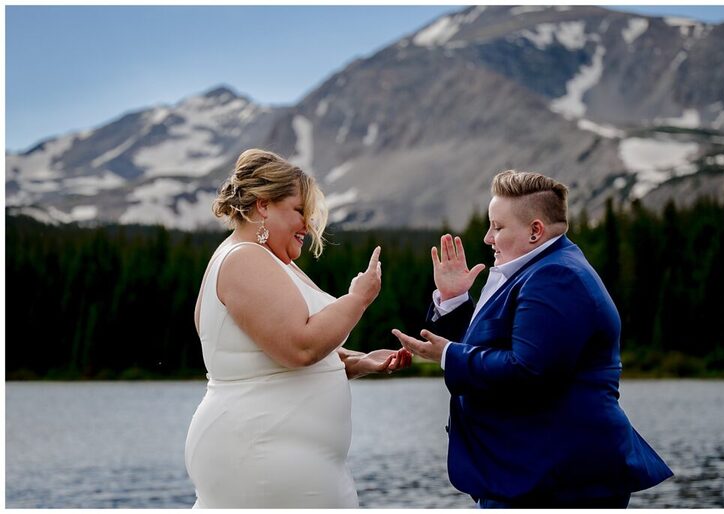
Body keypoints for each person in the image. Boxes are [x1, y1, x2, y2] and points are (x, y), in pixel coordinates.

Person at [392, 170, 673, 508]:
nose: (487, 238)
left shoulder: (556, 275)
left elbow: (529, 370)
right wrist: (454, 301)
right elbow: (498, 347)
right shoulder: (543, 270)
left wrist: (449, 354)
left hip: (559, 481)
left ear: (535, 231)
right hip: (532, 474)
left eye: (497, 227)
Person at [184, 148, 412, 508]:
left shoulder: (265, 259)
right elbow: (299, 347)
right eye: (298, 210)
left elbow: (269, 354)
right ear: (263, 205)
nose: (307, 223)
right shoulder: (245, 259)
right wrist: (358, 298)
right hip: (261, 454)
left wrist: (355, 362)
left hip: (278, 454)